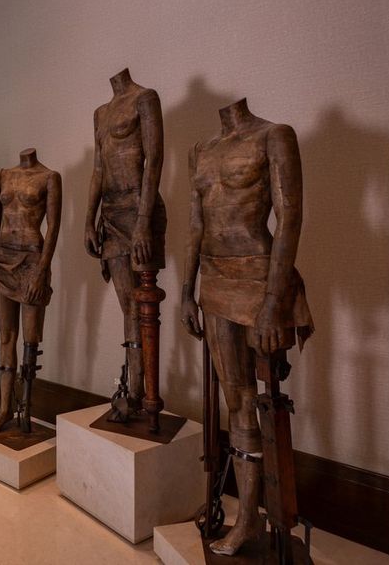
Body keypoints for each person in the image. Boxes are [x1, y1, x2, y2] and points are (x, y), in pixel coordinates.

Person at [180, 98, 313, 556]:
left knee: (268, 401)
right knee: (235, 400)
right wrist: (186, 290)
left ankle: (272, 515)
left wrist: (274, 303)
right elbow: (195, 224)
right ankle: (248, 519)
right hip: (215, 280)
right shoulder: (201, 150)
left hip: (259, 278)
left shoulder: (273, 135)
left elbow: (290, 215)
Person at [84, 67, 167, 427]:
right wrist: (89, 219)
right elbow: (98, 169)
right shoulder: (101, 113)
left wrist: (144, 222)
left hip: (139, 209)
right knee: (128, 307)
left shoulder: (144, 99)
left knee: (146, 306)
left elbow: (154, 159)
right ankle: (133, 391)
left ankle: (148, 397)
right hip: (112, 214)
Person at [0, 148, 61, 434]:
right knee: (6, 337)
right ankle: (4, 409)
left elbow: (53, 227)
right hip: (2, 258)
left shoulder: (49, 177)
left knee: (30, 339)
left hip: (31, 261)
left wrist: (41, 270)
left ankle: (25, 409)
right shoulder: (3, 175)